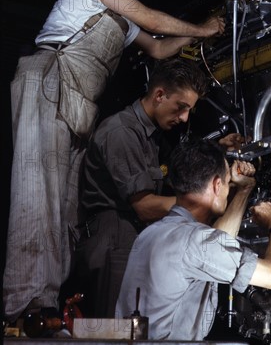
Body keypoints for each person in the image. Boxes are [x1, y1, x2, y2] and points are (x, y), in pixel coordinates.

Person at [3, 0, 225, 324]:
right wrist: (203, 28)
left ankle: (46, 304)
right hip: (50, 80)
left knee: (62, 208)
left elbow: (157, 48)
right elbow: (151, 19)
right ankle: (24, 307)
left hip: (78, 102)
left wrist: (198, 34)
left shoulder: (122, 26)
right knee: (37, 193)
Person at [74, 57, 237, 317]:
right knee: (115, 335)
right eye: (180, 107)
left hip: (129, 235)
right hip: (114, 237)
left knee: (132, 333)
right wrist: (202, 198)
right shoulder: (122, 133)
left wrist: (218, 151)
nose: (184, 118)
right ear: (159, 94)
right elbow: (146, 207)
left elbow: (176, 173)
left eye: (188, 110)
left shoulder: (151, 134)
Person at [115, 138, 271, 341]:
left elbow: (217, 243)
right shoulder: (195, 243)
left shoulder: (151, 234)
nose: (228, 189)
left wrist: (244, 189)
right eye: (227, 183)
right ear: (217, 185)